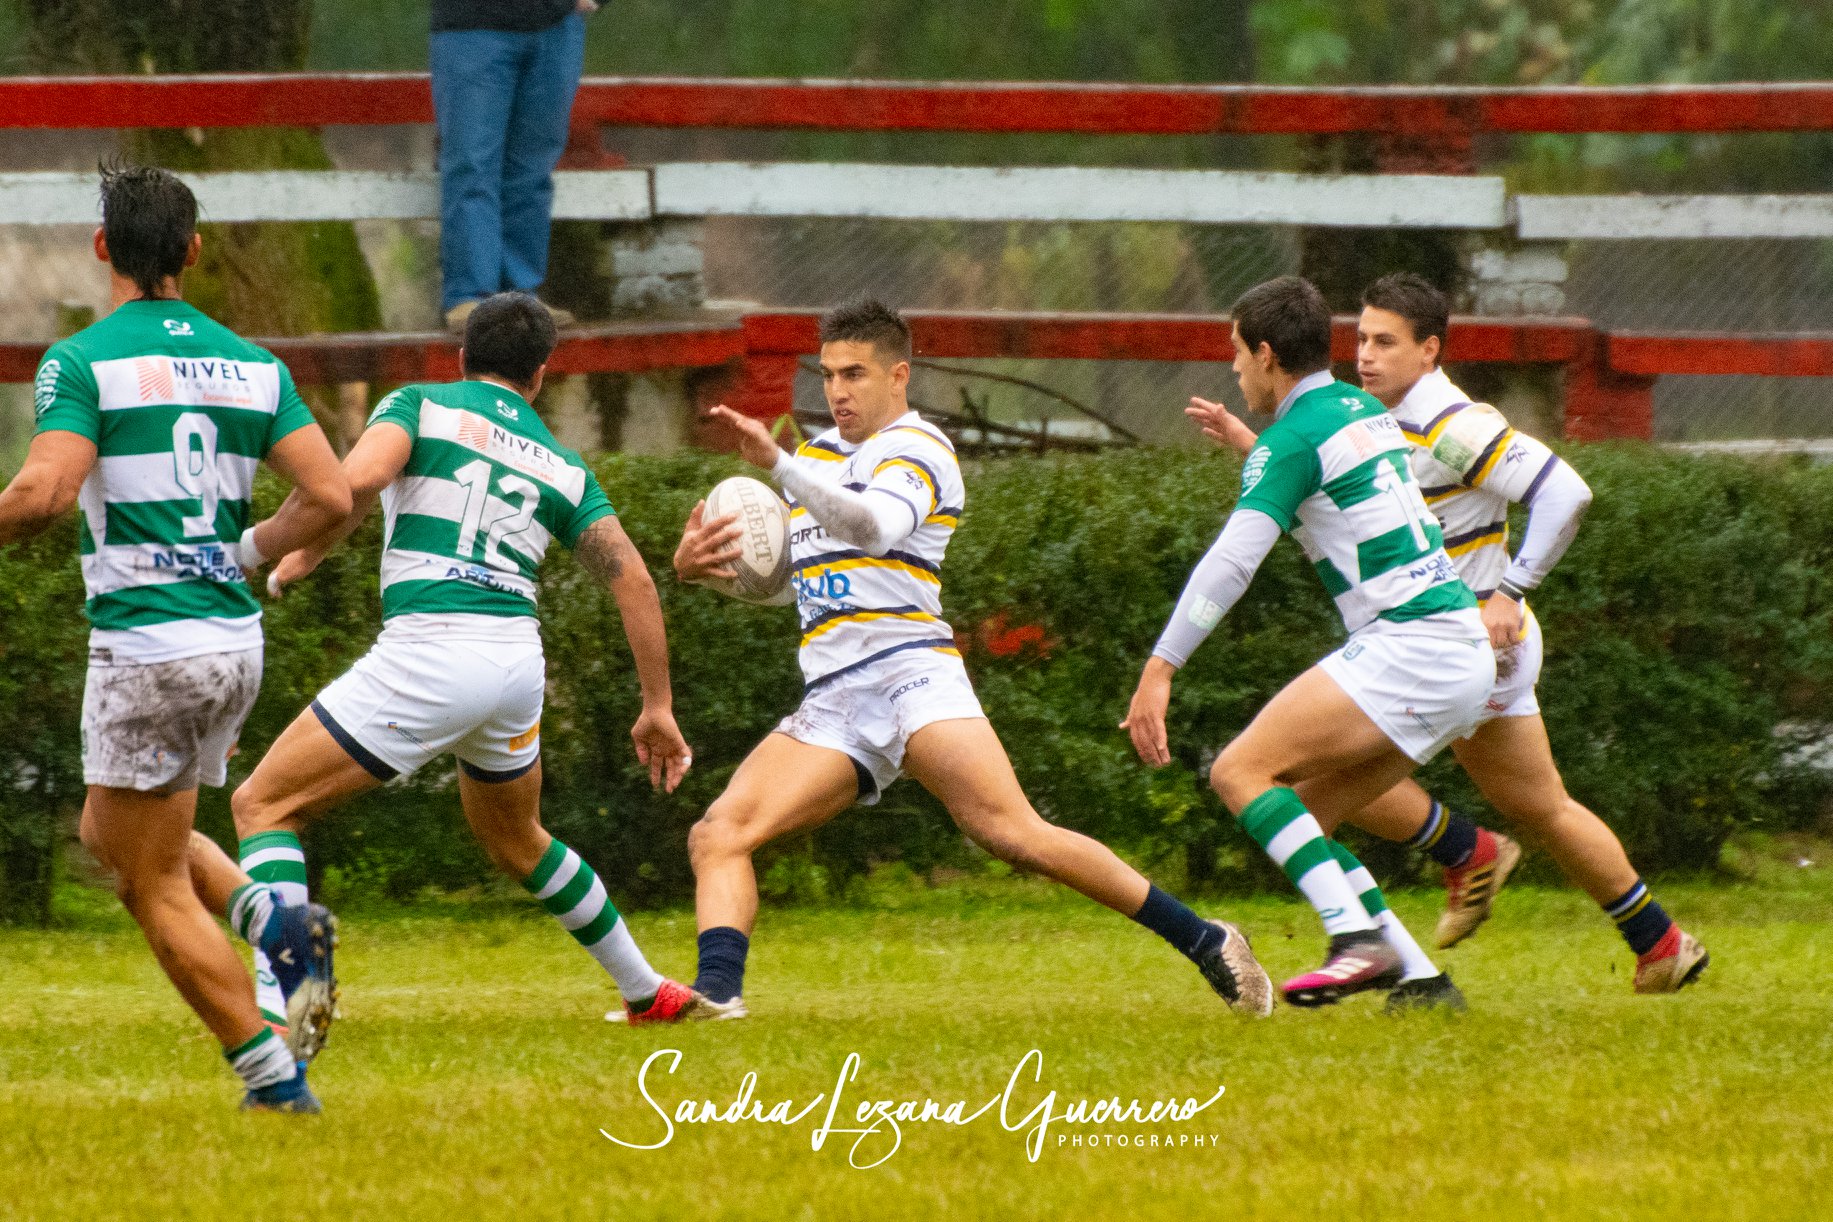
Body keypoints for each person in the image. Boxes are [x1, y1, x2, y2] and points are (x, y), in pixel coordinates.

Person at [666, 298, 1275, 1019]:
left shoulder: (918, 450)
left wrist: (777, 465)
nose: (837, 391)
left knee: (1013, 836)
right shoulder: (819, 457)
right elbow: (808, 577)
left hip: (911, 674)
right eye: (828, 374)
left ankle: (1205, 939)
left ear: (899, 376)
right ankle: (717, 997)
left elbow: (872, 528)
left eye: (854, 373)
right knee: (719, 833)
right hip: (833, 695)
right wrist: (700, 568)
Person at [1189, 272, 1708, 993]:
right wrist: (1256, 445)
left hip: (1451, 643)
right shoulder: (1374, 416)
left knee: (1297, 782)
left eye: (1385, 342)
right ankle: (1658, 941)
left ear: (1430, 350)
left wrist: (1510, 589)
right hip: (1441, 643)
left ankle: (1446, 879)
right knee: (1540, 806)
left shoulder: (1450, 423)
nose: (1365, 356)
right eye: (1360, 338)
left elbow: (1565, 491)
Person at [231, 292, 702, 1029]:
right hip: (516, 667)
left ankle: (290, 999)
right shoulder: (563, 466)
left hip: (433, 651)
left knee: (263, 805)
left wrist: (288, 548)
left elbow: (353, 484)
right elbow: (633, 579)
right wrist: (657, 707)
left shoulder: (420, 406)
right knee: (517, 838)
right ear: (540, 375)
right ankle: (647, 991)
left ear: (461, 358)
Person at [0, 163, 352, 1111]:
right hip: (233, 644)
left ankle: (271, 1075)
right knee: (111, 832)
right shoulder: (253, 365)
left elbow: (41, 495)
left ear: (103, 246)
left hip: (148, 649)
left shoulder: (84, 361)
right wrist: (248, 551)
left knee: (144, 879)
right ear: (194, 252)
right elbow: (330, 497)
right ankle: (272, 922)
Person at [1125, 275, 1496, 1009]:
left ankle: (1353, 940)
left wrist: (1160, 667)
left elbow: (1232, 561)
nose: (1232, 371)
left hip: (1410, 644)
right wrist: (1255, 448)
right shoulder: (1356, 408)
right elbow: (1328, 495)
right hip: (1461, 647)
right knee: (1309, 812)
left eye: (1236, 355)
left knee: (1239, 772)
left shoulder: (1292, 441)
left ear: (1266, 355)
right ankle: (1422, 982)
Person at [431, 0, 599, 331]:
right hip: (474, 26)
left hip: (557, 27)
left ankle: (520, 300)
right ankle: (471, 297)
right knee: (471, 165)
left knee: (533, 171)